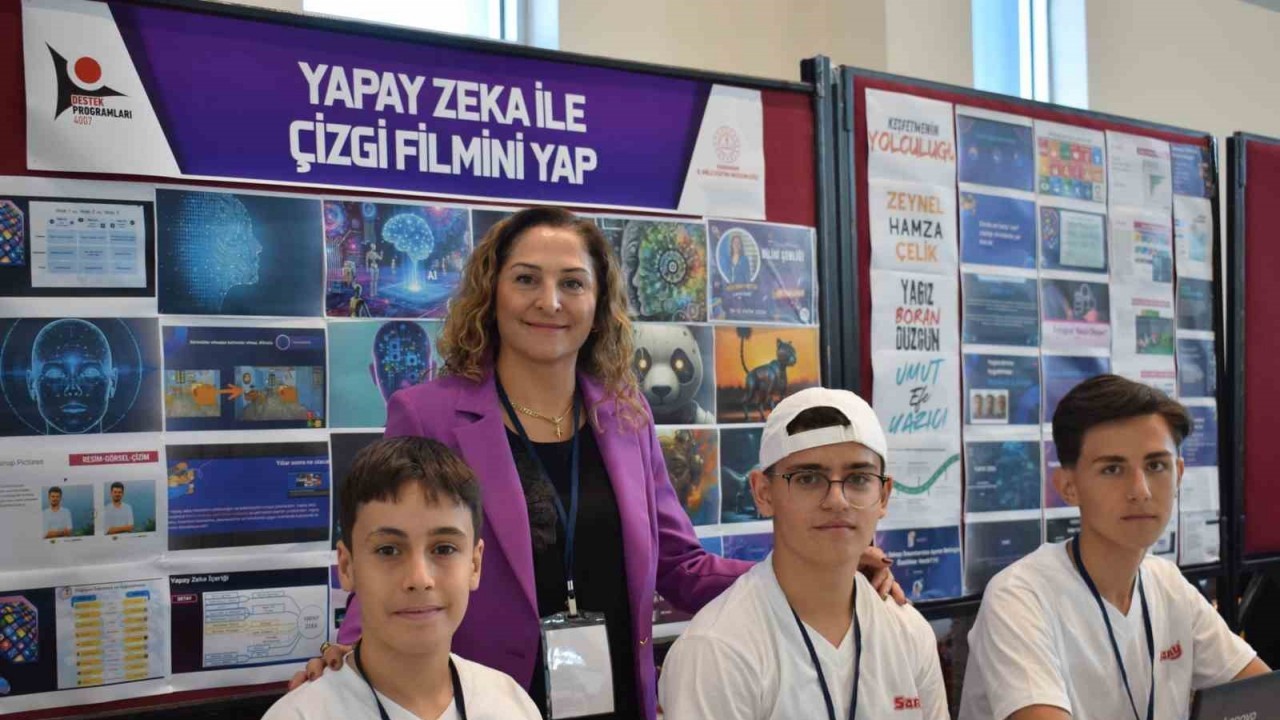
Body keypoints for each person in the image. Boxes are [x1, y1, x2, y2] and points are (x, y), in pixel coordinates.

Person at [292, 207, 902, 720]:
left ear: (598, 301)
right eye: (526, 279)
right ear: (492, 292)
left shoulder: (626, 416)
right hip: (490, 704)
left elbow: (681, 566)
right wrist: (349, 659)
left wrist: (814, 573)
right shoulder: (429, 414)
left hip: (620, 703)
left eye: (573, 283)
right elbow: (392, 546)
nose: (550, 301)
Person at [959, 375, 1271, 720]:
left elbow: (1266, 699)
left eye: (1156, 466)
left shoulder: (1166, 583)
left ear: (1179, 475)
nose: (1141, 491)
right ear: (1068, 486)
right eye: (1112, 469)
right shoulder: (1020, 596)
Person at [659, 388, 947, 719]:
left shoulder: (908, 632)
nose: (837, 500)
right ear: (763, 493)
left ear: (883, 496)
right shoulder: (716, 650)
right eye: (808, 478)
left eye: (858, 478)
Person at [263, 436, 540, 719]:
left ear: (474, 564)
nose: (419, 578)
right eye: (388, 550)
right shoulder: (300, 715)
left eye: (444, 549)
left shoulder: (511, 704)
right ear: (346, 567)